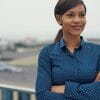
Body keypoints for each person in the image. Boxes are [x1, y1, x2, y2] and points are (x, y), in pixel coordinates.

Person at [35, 0, 100, 99]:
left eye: (82, 15)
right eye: (70, 15)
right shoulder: (47, 53)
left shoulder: (97, 52)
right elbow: (42, 95)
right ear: (59, 19)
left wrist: (65, 89)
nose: (78, 20)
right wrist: (89, 93)